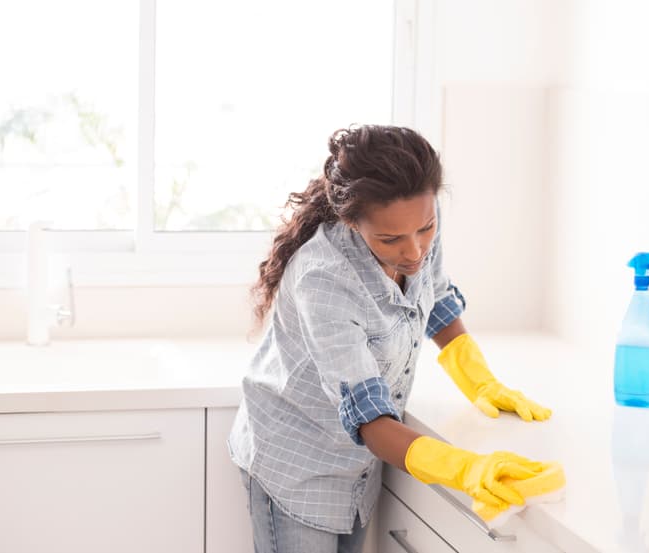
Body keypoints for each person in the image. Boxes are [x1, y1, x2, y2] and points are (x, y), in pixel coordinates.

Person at [228, 124, 554, 553]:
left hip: (358, 465)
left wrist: (480, 380)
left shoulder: (413, 221)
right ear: (351, 221)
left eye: (427, 228)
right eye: (391, 239)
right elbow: (370, 418)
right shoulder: (324, 280)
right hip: (298, 464)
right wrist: (465, 468)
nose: (415, 250)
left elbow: (434, 299)